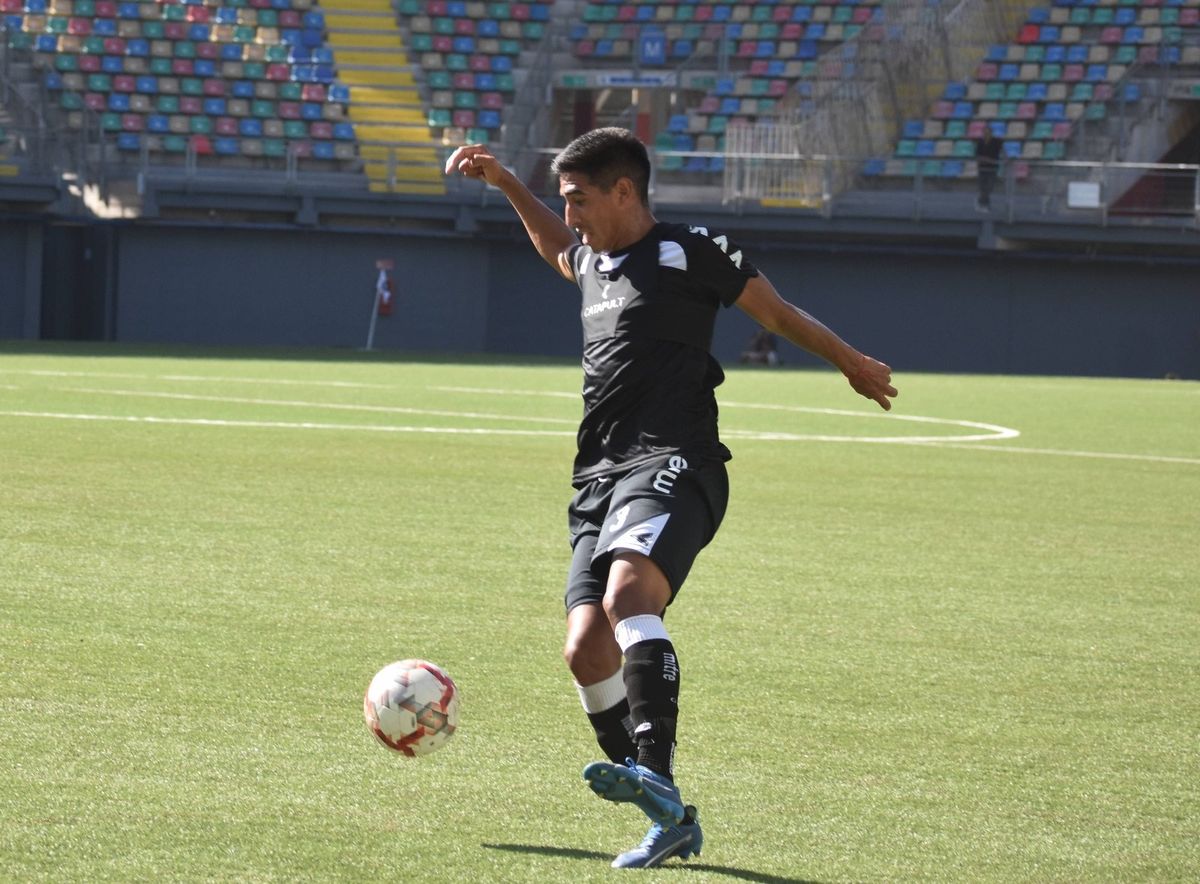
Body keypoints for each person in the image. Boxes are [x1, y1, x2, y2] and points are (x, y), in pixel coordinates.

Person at [444, 128, 897, 869]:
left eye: (579, 198)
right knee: (586, 652)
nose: (573, 213)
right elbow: (555, 247)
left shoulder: (687, 251)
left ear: (624, 191)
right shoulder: (589, 261)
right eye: (566, 201)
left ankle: (652, 770)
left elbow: (775, 314)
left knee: (629, 597)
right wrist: (508, 186)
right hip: (595, 478)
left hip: (676, 460)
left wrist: (850, 363)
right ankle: (670, 814)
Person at [975, 126, 1002, 212]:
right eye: (985, 132)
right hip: (982, 168)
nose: (986, 134)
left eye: (988, 132)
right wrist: (985, 160)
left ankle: (981, 202)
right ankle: (984, 205)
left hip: (992, 168)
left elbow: (1002, 152)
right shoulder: (980, 142)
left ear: (991, 133)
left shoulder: (996, 142)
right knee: (983, 188)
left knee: (989, 188)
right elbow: (977, 155)